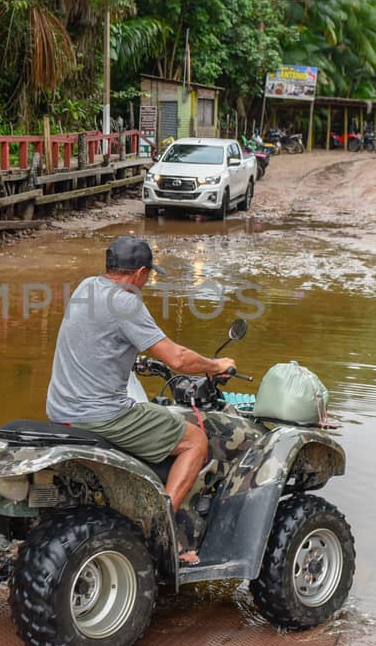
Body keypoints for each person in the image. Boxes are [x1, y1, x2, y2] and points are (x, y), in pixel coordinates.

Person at [45, 236, 235, 564]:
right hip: (102, 415)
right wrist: (214, 365)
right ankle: (157, 529)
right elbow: (177, 358)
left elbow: (96, 340)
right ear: (140, 273)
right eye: (149, 276)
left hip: (61, 410)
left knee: (148, 413)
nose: (147, 282)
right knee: (195, 440)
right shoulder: (127, 301)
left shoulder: (85, 288)